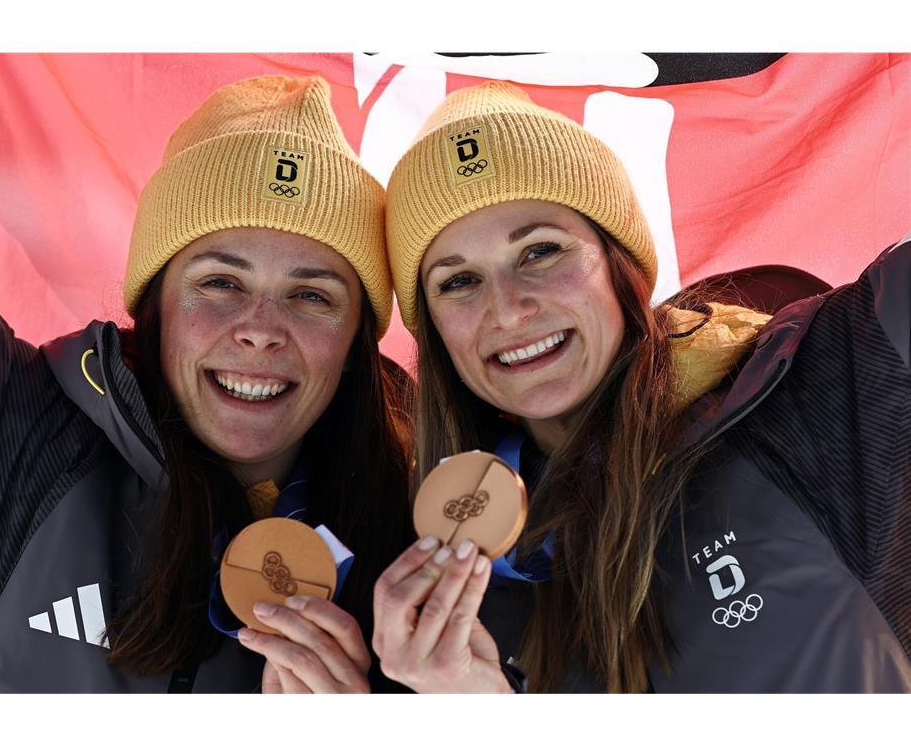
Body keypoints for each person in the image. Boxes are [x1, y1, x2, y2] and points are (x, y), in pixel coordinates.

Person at [0, 53, 414, 693]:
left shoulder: (427, 550)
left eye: (312, 296)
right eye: (220, 282)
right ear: (154, 304)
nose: (261, 327)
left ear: (358, 339)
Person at [371, 80, 911, 692]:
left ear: (617, 259)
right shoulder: (452, 591)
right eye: (458, 282)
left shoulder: (823, 383)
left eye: (540, 251)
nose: (510, 310)